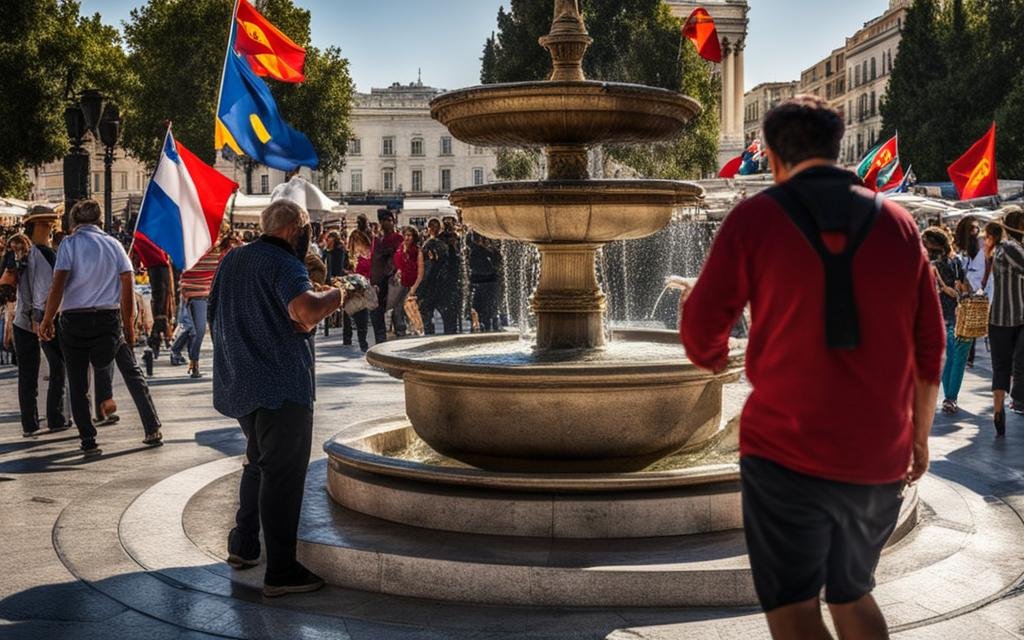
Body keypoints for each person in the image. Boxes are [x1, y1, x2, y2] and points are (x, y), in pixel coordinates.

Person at [678, 96, 944, 640]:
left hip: (785, 454)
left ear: (773, 158)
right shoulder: (898, 224)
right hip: (877, 453)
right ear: (837, 144)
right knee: (852, 594)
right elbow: (930, 348)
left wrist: (701, 335)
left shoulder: (753, 220)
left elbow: (702, 337)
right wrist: (918, 437)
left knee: (794, 609)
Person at [209, 199, 345, 597]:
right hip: (281, 385)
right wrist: (336, 293)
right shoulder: (285, 263)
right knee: (283, 474)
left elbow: (215, 312)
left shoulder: (233, 260)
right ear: (294, 230)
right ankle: (282, 570)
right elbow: (304, 310)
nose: (308, 239)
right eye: (306, 231)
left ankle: (244, 542)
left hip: (241, 382)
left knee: (257, 461)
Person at [39, 200, 138, 457]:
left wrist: (48, 318)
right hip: (107, 319)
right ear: (100, 221)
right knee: (104, 360)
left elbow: (57, 284)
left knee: (78, 382)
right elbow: (128, 283)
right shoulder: (115, 245)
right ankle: (105, 397)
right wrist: (128, 325)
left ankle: (88, 439)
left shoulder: (69, 245)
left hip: (74, 321)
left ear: (73, 222)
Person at [11, 208, 71, 437]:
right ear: (40, 226)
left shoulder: (20, 252)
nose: (51, 226)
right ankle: (55, 418)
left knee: (27, 374)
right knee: (58, 365)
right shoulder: (44, 253)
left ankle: (30, 423)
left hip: (20, 320)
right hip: (42, 319)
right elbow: (44, 289)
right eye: (48, 223)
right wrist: (42, 320)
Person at [171, 231, 239, 377]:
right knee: (199, 331)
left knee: (219, 333)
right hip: (196, 295)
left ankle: (222, 367)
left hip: (214, 295)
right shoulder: (190, 250)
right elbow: (183, 272)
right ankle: (194, 362)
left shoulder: (221, 249)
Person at [982, 219, 1024, 436]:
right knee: (1014, 364)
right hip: (1016, 319)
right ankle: (1015, 400)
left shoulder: (997, 251)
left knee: (1000, 368)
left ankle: (998, 410)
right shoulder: (1010, 248)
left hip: (996, 319)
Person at [923, 227, 971, 414]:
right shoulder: (952, 261)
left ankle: (950, 397)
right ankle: (950, 398)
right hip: (946, 314)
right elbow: (961, 287)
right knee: (953, 357)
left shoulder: (944, 261)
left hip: (946, 314)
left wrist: (942, 288)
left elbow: (960, 288)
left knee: (950, 357)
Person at [954, 216, 985, 368]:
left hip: (974, 285)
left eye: (977, 227)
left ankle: (969, 357)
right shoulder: (960, 245)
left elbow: (980, 266)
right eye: (972, 227)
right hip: (961, 284)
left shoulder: (980, 242)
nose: (976, 230)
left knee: (970, 319)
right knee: (963, 319)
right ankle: (963, 353)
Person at [369, 209, 403, 344]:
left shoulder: (397, 238)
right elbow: (374, 257)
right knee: (376, 311)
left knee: (394, 311)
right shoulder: (377, 239)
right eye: (385, 221)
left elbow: (398, 256)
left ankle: (395, 338)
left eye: (390, 220)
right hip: (377, 279)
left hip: (390, 279)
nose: (388, 223)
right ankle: (380, 340)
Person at [417, 218, 453, 334]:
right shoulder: (429, 243)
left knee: (445, 313)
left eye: (436, 226)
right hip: (431, 282)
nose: (433, 229)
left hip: (441, 281)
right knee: (428, 312)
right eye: (431, 226)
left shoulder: (442, 242)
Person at [343, 229, 372, 351]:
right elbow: (344, 269)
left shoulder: (369, 252)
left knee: (362, 316)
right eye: (354, 241)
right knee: (353, 314)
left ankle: (362, 343)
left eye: (358, 240)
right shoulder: (349, 254)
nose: (356, 243)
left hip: (365, 287)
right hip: (353, 288)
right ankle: (350, 340)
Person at [390, 226, 421, 337]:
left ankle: (413, 329)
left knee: (409, 309)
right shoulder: (400, 248)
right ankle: (400, 331)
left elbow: (420, 272)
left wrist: (414, 287)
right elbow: (397, 264)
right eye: (405, 235)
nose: (407, 238)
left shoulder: (417, 251)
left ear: (414, 237)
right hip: (400, 283)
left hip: (412, 283)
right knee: (397, 308)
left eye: (409, 235)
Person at [469, 232, 502, 332]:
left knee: (486, 307)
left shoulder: (487, 250)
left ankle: (488, 325)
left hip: (486, 281)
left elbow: (498, 261)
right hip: (482, 281)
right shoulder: (476, 250)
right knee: (481, 307)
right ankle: (482, 325)